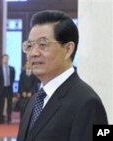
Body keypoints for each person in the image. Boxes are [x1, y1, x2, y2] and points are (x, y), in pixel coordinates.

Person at [17, 10, 108, 141]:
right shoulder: (35, 100)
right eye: (29, 45)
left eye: (43, 45)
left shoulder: (88, 102)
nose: (33, 53)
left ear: (68, 49)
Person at [0, 54, 15, 124]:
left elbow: (12, 78)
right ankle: (1, 118)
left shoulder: (12, 69)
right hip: (2, 88)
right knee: (1, 103)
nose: (6, 60)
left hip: (9, 88)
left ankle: (9, 118)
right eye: (4, 59)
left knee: (9, 103)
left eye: (7, 59)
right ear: (2, 60)